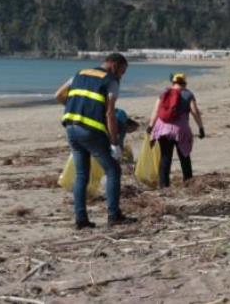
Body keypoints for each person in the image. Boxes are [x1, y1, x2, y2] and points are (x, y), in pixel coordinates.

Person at [55, 53, 137, 229]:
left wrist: (77, 107)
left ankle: (81, 219)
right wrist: (115, 143)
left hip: (71, 128)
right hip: (91, 132)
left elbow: (58, 95)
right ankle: (114, 215)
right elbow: (110, 114)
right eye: (122, 71)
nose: (121, 75)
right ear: (114, 64)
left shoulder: (80, 73)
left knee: (81, 175)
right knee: (113, 170)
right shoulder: (111, 81)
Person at [146, 73, 206, 188]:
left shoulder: (164, 93)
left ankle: (164, 186)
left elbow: (156, 111)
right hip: (181, 130)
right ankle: (188, 183)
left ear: (173, 83)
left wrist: (150, 126)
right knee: (184, 156)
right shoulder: (188, 94)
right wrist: (201, 127)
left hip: (163, 129)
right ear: (184, 83)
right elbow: (194, 112)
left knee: (165, 157)